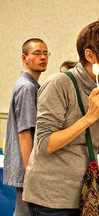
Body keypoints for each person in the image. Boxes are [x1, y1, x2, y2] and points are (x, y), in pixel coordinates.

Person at [22, 20, 99, 215]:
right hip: (51, 199)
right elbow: (45, 144)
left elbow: (98, 146)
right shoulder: (59, 84)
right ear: (89, 55)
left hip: (85, 197)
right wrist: (89, 117)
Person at [4, 38, 49, 216]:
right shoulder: (27, 87)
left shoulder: (31, 85)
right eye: (37, 53)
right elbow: (25, 133)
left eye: (45, 53)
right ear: (24, 58)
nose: (43, 57)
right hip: (27, 168)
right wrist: (32, 173)